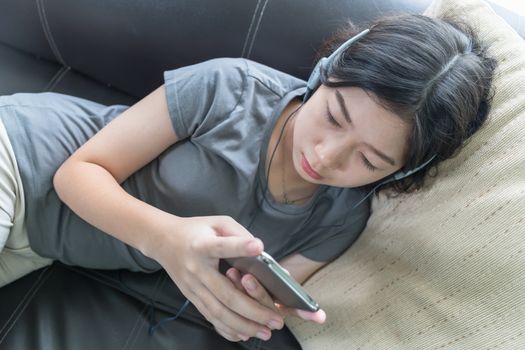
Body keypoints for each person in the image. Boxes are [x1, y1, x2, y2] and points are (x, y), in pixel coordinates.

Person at [0, 14, 495, 344]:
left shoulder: (340, 220)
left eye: (367, 160)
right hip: (21, 157)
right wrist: (166, 238)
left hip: (37, 246)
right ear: (326, 71)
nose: (325, 157)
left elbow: (258, 297)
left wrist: (242, 312)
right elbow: (76, 174)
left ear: (401, 171)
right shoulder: (230, 89)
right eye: (335, 115)